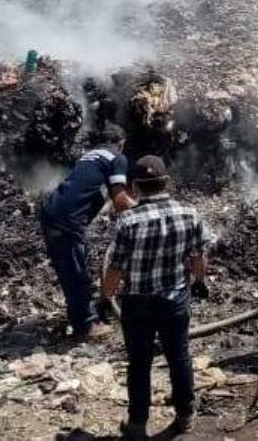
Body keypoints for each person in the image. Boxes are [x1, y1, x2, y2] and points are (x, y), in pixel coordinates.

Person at [99, 156, 208, 440]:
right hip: (175, 300)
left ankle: (137, 425)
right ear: (166, 182)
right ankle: (185, 416)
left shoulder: (128, 220)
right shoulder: (189, 213)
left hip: (137, 304)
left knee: (139, 363)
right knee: (179, 356)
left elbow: (116, 267)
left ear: (135, 187)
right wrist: (199, 281)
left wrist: (105, 297)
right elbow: (198, 256)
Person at [39, 126, 135, 340]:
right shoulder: (116, 157)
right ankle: (86, 326)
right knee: (77, 274)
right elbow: (120, 200)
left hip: (50, 212)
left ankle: (82, 316)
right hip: (67, 221)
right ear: (121, 143)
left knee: (70, 271)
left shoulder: (89, 157)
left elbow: (95, 192)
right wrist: (147, 209)